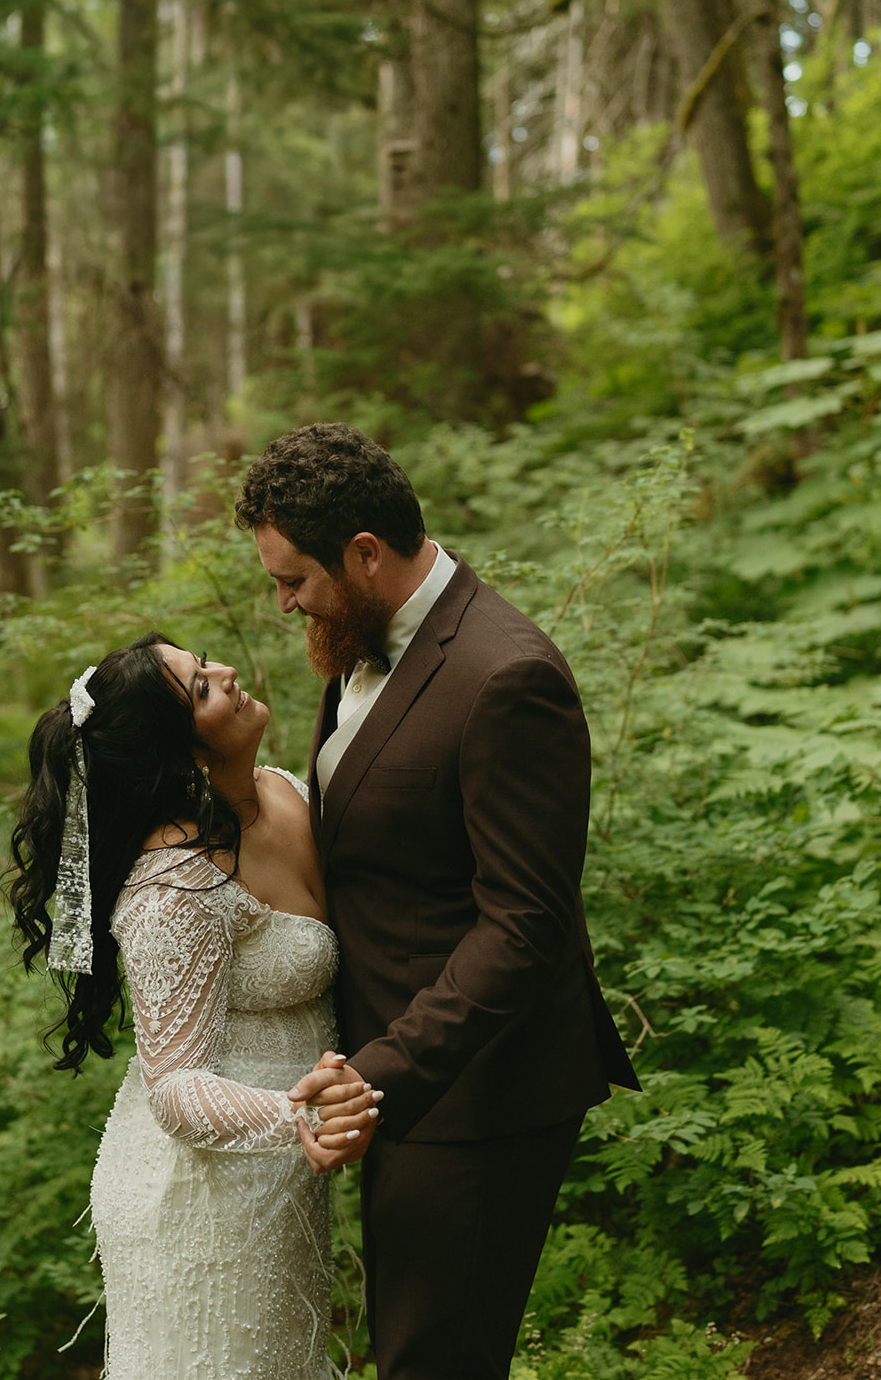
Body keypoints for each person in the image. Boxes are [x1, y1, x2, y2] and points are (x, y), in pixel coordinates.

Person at [236, 424, 641, 1380]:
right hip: (395, 1072)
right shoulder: (359, 638)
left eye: (293, 579)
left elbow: (525, 924)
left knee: (434, 1361)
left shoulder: (506, 676)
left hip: (475, 1086)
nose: (285, 602)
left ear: (364, 553)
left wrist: (382, 1074)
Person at [8, 630, 380, 1380]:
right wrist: (304, 1117)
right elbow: (174, 1086)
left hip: (279, 1187)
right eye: (202, 688)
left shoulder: (285, 788)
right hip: (202, 1199)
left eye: (203, 663)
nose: (228, 673)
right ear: (177, 752)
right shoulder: (173, 887)